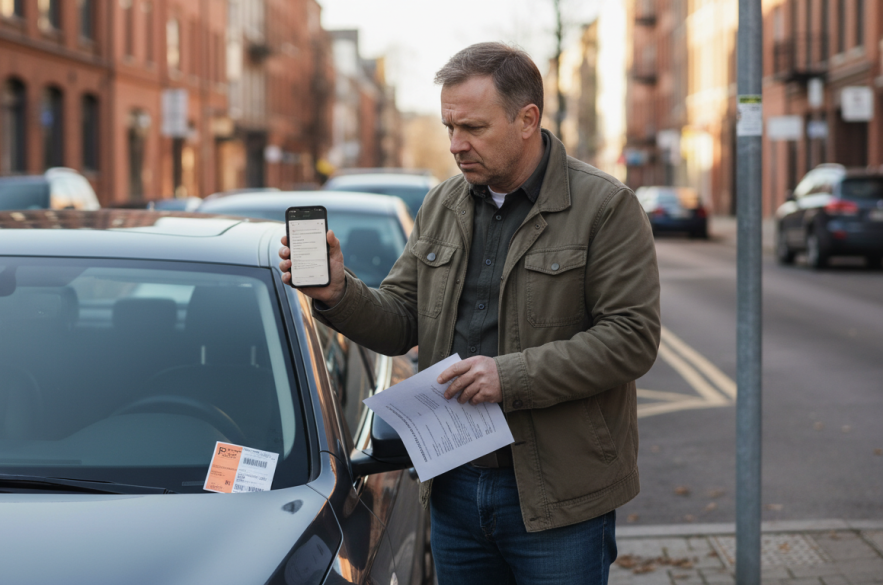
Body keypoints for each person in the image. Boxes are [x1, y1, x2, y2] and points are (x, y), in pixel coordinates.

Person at [279, 42, 660, 584]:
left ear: (527, 119)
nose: (457, 145)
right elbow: (401, 320)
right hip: (453, 487)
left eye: (473, 128)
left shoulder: (605, 207)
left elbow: (631, 339)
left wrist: (508, 376)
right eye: (449, 128)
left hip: (558, 500)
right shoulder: (443, 203)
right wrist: (339, 291)